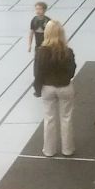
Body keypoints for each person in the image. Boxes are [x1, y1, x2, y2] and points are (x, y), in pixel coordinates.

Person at [34, 20, 76, 157]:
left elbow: (38, 72)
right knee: (66, 118)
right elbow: (71, 72)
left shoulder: (41, 52)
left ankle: (49, 150)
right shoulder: (68, 51)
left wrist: (37, 89)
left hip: (48, 88)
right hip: (65, 87)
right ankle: (67, 149)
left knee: (49, 119)